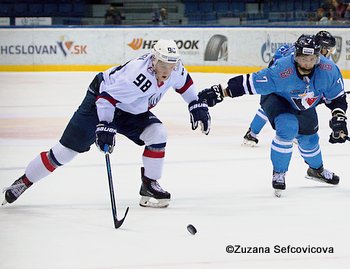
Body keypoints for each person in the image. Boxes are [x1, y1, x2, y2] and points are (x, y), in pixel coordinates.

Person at [2, 39, 211, 208]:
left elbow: (185, 85)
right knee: (64, 153)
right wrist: (105, 125)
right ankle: (23, 182)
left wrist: (195, 104)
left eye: (171, 65)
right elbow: (106, 98)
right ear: (153, 61)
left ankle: (149, 185)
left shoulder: (175, 69)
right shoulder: (137, 76)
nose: (167, 71)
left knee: (157, 133)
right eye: (163, 65)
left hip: (131, 109)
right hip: (100, 101)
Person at [198, 34, 348, 197]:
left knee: (310, 139)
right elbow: (250, 83)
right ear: (296, 56)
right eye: (304, 58)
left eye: (312, 59)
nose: (307, 63)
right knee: (288, 127)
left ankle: (316, 170)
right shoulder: (282, 70)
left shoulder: (329, 70)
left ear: (318, 57)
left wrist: (339, 118)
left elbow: (338, 98)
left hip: (304, 101)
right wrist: (221, 92)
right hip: (278, 98)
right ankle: (279, 173)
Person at [243, 30, 337, 146]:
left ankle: (252, 133)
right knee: (276, 106)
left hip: (286, 80)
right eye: (329, 50)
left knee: (287, 106)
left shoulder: (311, 56)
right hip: (282, 80)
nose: (330, 53)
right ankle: (253, 133)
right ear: (322, 48)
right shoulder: (301, 56)